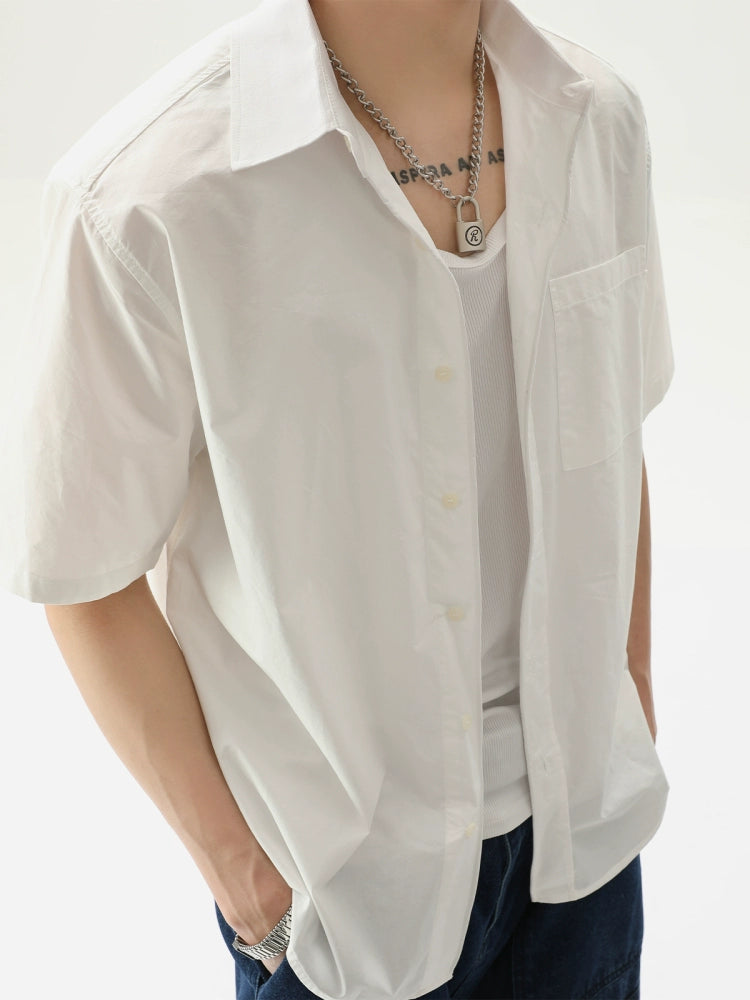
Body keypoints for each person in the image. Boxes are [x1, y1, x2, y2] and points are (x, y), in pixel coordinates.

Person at [0, 0, 675, 997]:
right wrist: (249, 885)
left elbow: (611, 444)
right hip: (345, 910)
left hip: (585, 857)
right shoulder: (148, 196)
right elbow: (83, 574)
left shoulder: (597, 120)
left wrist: (632, 709)